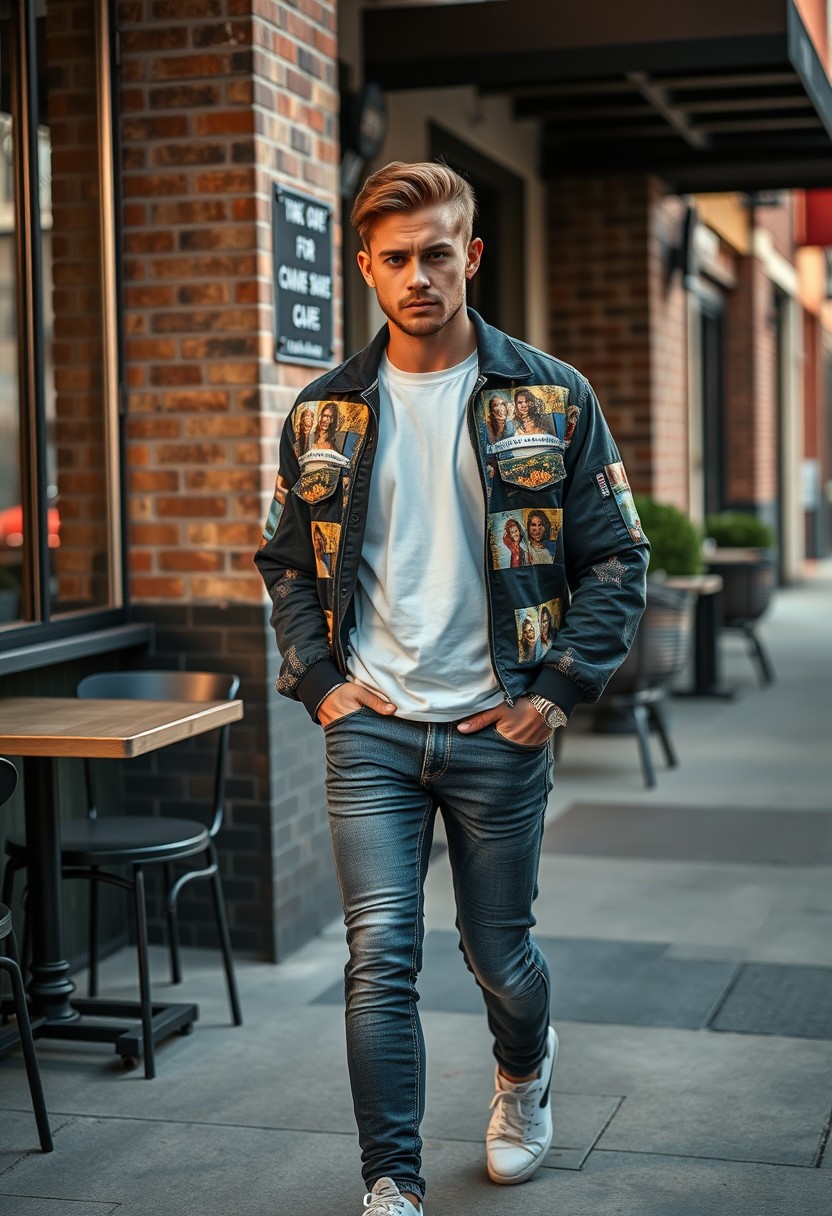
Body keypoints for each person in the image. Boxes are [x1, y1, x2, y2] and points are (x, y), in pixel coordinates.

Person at [255, 161, 649, 1216]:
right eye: (396, 258)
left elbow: (617, 559)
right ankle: (392, 1182)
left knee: (495, 949)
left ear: (470, 255)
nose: (418, 275)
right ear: (365, 268)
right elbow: (288, 561)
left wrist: (554, 692)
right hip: (372, 729)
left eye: (438, 253)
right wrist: (322, 682)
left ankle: (523, 1073)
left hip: (497, 724)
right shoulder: (322, 413)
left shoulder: (551, 394)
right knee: (379, 956)